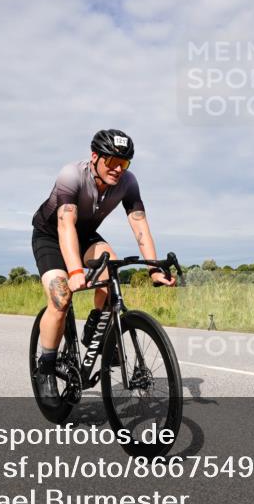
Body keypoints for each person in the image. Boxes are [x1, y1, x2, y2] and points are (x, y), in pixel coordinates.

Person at [31, 129, 174, 405]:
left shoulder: (128, 182)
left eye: (125, 163)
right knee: (60, 298)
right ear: (94, 157)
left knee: (112, 268)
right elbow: (64, 224)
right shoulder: (71, 175)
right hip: (50, 235)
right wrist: (74, 272)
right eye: (111, 162)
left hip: (84, 237)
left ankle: (96, 326)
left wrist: (154, 268)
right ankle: (46, 368)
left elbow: (140, 225)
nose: (118, 169)